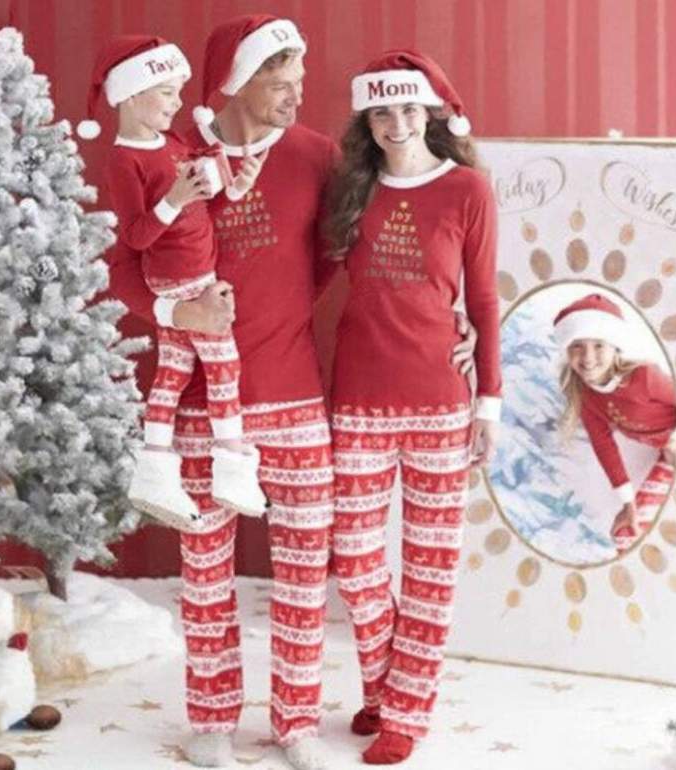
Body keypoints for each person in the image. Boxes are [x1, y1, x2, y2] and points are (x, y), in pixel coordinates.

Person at [106, 18, 476, 770]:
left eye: (299, 81)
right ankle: (212, 717)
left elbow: (365, 246)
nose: (297, 95)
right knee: (205, 574)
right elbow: (120, 266)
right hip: (199, 404)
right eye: (281, 82)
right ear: (238, 82)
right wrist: (179, 315)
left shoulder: (319, 156)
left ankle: (296, 719)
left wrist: (453, 318)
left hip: (298, 398)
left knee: (307, 573)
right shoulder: (176, 156)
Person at [324, 51, 501, 765]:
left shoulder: (467, 189)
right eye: (381, 112)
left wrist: (489, 401)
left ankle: (405, 713)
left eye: (408, 109)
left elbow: (483, 300)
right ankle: (384, 684)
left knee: (430, 568)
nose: (396, 124)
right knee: (355, 561)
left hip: (439, 403)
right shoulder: (351, 188)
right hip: (359, 400)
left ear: (429, 114)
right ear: (366, 120)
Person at [82, 35, 268, 531]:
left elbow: (200, 210)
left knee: (174, 372)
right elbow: (137, 235)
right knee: (224, 367)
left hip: (195, 275)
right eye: (166, 93)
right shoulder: (124, 160)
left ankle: (154, 471)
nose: (177, 103)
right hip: (181, 282)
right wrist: (175, 198)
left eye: (179, 92)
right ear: (130, 95)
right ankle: (231, 468)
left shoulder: (173, 144)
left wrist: (236, 188)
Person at [553, 293, 676, 549]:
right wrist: (628, 503)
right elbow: (604, 446)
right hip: (666, 454)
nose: (588, 357)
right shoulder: (586, 396)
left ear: (615, 346)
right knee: (627, 537)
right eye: (577, 345)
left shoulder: (644, 375)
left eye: (599, 345)